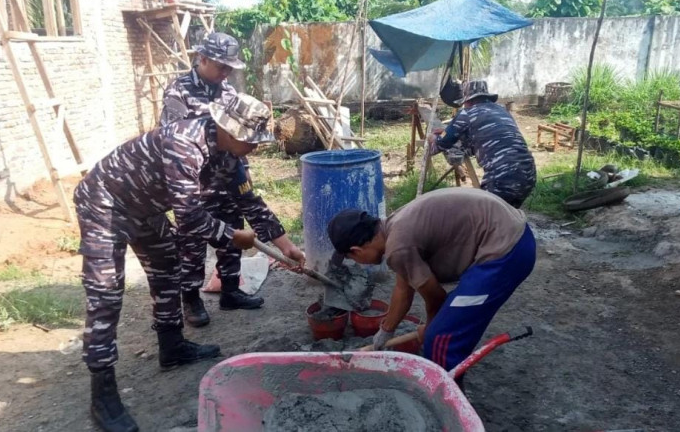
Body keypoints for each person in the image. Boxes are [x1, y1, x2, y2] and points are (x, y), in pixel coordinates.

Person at [74, 95, 287, 432]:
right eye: (251, 140)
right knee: (106, 293)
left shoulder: (228, 155)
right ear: (227, 129)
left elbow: (249, 199)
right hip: (106, 203)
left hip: (146, 208)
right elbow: (189, 217)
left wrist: (286, 246)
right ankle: (103, 396)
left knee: (167, 270)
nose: (256, 147)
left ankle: (172, 346)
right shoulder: (183, 143)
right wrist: (232, 235)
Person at [159, 32, 302, 326]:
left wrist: (284, 244)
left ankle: (231, 290)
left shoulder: (227, 92)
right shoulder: (178, 91)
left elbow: (251, 198)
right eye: (221, 66)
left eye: (229, 68)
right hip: (194, 181)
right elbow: (174, 141)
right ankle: (191, 299)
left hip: (227, 173)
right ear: (202, 58)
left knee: (234, 231)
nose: (225, 73)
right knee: (193, 243)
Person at [326, 188, 536, 387]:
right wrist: (385, 331)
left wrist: (431, 326)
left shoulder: (398, 247)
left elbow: (435, 298)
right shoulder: (393, 227)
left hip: (506, 253)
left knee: (440, 339)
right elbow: (403, 289)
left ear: (355, 250)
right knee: (442, 327)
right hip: (510, 235)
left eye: (351, 258)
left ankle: (444, 400)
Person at [430, 80, 537, 208]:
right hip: (528, 174)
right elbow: (485, 136)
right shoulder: (502, 110)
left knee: (483, 219)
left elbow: (441, 144)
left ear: (467, 101)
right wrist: (450, 132)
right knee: (507, 218)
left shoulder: (466, 113)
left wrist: (432, 137)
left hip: (502, 178)